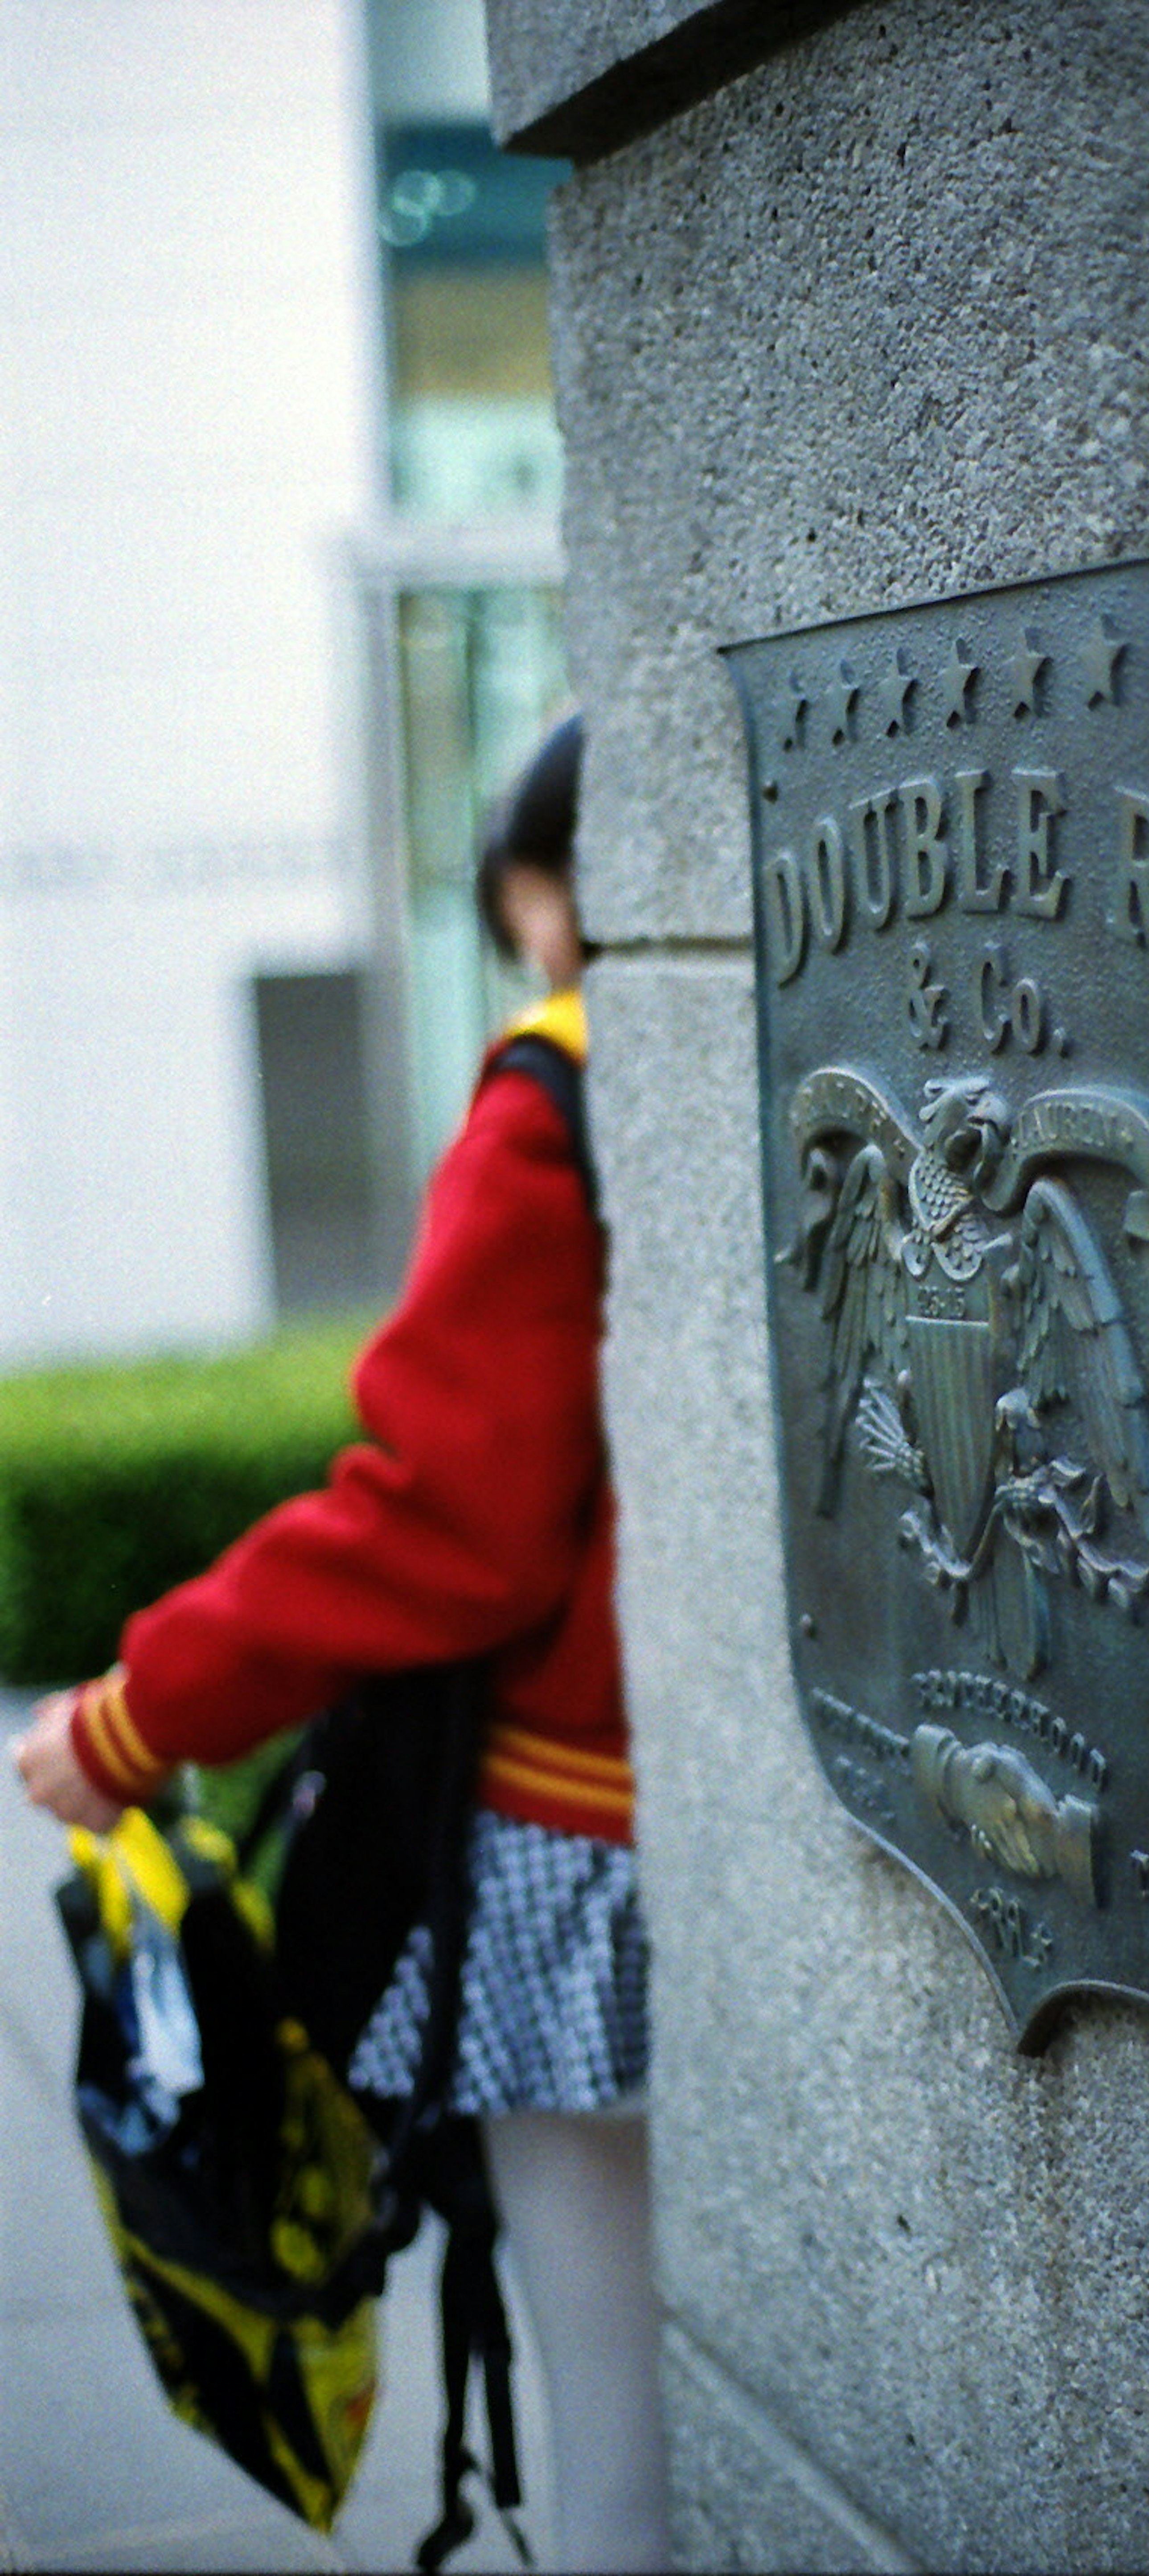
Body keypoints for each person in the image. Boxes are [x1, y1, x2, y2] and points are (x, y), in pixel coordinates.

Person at [13, 711, 669, 2575]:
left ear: (546, 895)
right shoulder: (839, 1037)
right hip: (830, 1796)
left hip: (589, 1844)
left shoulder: (560, 1096)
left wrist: (138, 1716)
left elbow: (441, 1523)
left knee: (624, 2442)